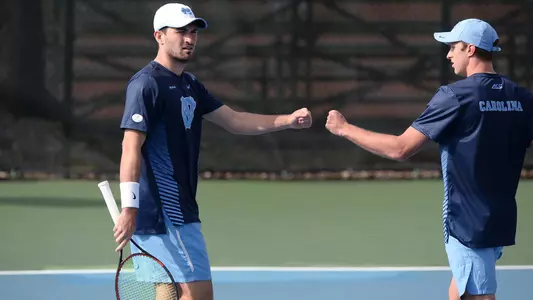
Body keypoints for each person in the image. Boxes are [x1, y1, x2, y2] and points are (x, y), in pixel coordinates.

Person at [112, 3, 312, 300]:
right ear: (159, 36)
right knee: (198, 295)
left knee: (166, 292)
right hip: (168, 213)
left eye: (193, 32)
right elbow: (130, 146)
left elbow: (233, 120)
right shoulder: (146, 84)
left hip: (170, 210)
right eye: (181, 32)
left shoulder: (190, 85)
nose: (189, 38)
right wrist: (129, 208)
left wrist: (287, 121)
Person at [325, 18, 533, 300]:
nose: (448, 54)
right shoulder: (522, 97)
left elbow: (400, 148)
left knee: (479, 296)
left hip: (467, 223)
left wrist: (344, 129)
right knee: (461, 287)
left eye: (453, 48)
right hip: (500, 219)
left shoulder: (454, 96)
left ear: (470, 49)